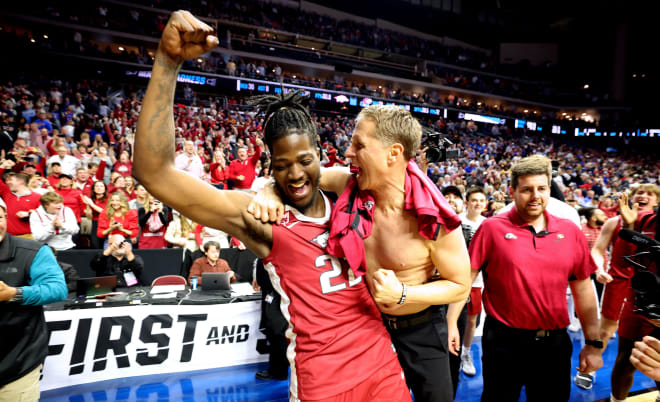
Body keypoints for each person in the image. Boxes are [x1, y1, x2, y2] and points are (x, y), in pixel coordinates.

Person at [133, 11, 411, 401]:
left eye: (304, 161)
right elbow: (155, 173)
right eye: (281, 167)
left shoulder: (354, 195)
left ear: (320, 155)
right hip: (323, 382)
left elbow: (402, 176)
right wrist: (167, 63)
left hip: (383, 366)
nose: (295, 175)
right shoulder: (262, 218)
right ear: (269, 166)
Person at [251, 105, 472, 402]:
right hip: (367, 327)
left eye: (359, 145)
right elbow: (301, 175)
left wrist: (404, 294)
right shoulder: (348, 184)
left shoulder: (434, 219)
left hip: (420, 328)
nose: (348, 153)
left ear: (392, 153)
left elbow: (460, 286)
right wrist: (268, 189)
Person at [468, 154, 602, 401]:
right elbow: (466, 278)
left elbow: (584, 290)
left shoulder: (570, 230)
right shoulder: (491, 228)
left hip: (553, 344)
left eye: (542, 189)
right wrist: (452, 324)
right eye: (527, 189)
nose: (535, 196)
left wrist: (594, 343)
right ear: (512, 191)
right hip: (503, 342)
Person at [0, 205, 68, 400]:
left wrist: (14, 293)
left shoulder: (32, 251)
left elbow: (57, 288)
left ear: (6, 217)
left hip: (16, 363)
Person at [457, 186, 487, 377]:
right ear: (467, 202)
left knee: (471, 319)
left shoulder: (488, 224)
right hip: (453, 277)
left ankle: (465, 353)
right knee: (447, 318)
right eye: (474, 200)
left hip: (477, 281)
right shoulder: (456, 221)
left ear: (485, 204)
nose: (477, 204)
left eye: (481, 201)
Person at [0, 167, 42, 238]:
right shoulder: (6, 193)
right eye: (7, 181)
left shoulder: (38, 197)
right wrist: (2, 167)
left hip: (29, 236)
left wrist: (29, 214)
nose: (7, 182)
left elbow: (45, 215)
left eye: (10, 180)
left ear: (21, 181)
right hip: (7, 237)